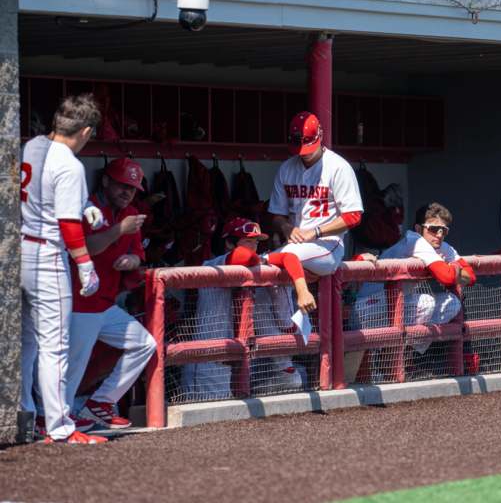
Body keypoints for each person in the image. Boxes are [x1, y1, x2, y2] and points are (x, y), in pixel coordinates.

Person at [20, 94, 108, 444]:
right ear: (85, 131)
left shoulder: (32, 146)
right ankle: (59, 426)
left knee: (27, 343)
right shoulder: (71, 165)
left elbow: (45, 191)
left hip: (19, 250)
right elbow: (68, 225)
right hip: (47, 255)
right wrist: (85, 264)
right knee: (54, 346)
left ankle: (25, 416)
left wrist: (84, 203)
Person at [64, 158, 156, 430]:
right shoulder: (87, 208)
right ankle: (58, 418)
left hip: (105, 303)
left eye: (132, 188)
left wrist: (131, 261)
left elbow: (138, 255)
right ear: (105, 180)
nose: (127, 192)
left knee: (144, 344)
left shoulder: (131, 213)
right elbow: (86, 248)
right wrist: (120, 229)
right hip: (78, 301)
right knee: (73, 365)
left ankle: (100, 403)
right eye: (122, 185)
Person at [181, 217, 316, 399]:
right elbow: (242, 256)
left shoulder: (254, 261)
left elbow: (290, 257)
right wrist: (264, 260)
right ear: (229, 243)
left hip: (229, 362)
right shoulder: (215, 264)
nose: (253, 247)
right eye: (247, 241)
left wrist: (302, 290)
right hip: (206, 363)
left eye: (256, 242)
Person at [351, 203, 476, 346]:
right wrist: (455, 269)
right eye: (434, 229)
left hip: (395, 306)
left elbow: (471, 277)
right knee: (426, 302)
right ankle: (399, 350)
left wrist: (452, 269)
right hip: (367, 308)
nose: (439, 235)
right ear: (418, 229)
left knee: (452, 304)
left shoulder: (441, 246)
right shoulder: (415, 241)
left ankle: (406, 349)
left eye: (444, 230)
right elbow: (447, 277)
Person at [269, 111, 363, 277]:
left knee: (275, 259)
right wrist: (286, 227)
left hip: (328, 244)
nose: (304, 152)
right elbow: (277, 214)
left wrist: (316, 232)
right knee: (271, 271)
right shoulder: (286, 168)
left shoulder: (338, 167)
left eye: (308, 147)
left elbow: (353, 216)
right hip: (295, 245)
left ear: (320, 136)